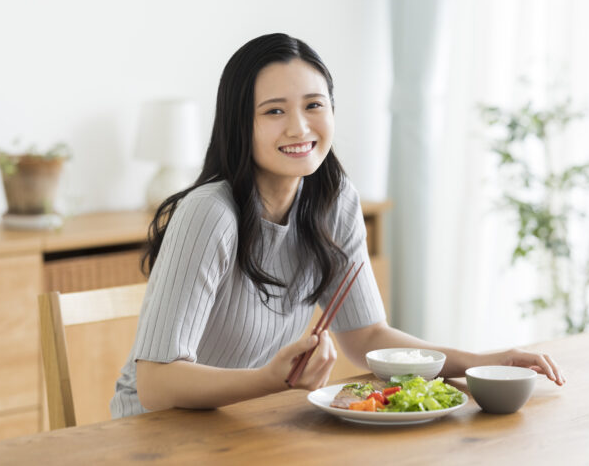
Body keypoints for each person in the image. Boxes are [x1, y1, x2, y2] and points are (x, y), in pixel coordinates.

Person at [110, 33, 565, 418]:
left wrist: (480, 363)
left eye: (314, 105)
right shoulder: (210, 213)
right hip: (157, 431)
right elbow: (155, 384)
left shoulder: (333, 200)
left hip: (247, 422)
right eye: (274, 111)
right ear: (239, 124)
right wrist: (268, 381)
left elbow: (365, 335)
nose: (299, 127)